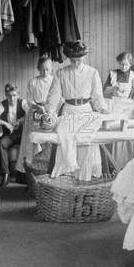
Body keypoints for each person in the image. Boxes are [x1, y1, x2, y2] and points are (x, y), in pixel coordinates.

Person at [42, 40, 109, 181]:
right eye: (73, 60)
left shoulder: (92, 72)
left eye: (79, 60)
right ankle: (68, 176)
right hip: (68, 111)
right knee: (66, 139)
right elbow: (54, 96)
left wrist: (102, 109)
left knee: (87, 143)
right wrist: (49, 113)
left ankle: (85, 178)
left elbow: (97, 97)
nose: (76, 63)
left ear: (84, 57)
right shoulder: (61, 73)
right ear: (68, 58)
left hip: (86, 110)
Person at [0, 83, 44, 188]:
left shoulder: (23, 103)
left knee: (31, 143)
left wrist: (21, 120)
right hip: (10, 135)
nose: (12, 98)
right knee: (2, 143)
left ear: (18, 95)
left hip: (23, 134)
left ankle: (28, 176)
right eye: (9, 95)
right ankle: (6, 175)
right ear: (5, 95)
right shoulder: (2, 105)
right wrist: (5, 123)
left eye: (14, 95)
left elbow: (35, 111)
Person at [15, 55, 55, 177]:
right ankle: (31, 174)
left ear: (51, 68)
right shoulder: (33, 82)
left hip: (49, 113)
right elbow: (29, 101)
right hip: (35, 114)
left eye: (47, 69)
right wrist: (39, 108)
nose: (45, 72)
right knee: (32, 144)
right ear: (38, 68)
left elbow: (58, 98)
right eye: (42, 69)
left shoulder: (54, 81)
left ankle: (47, 173)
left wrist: (48, 109)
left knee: (49, 144)